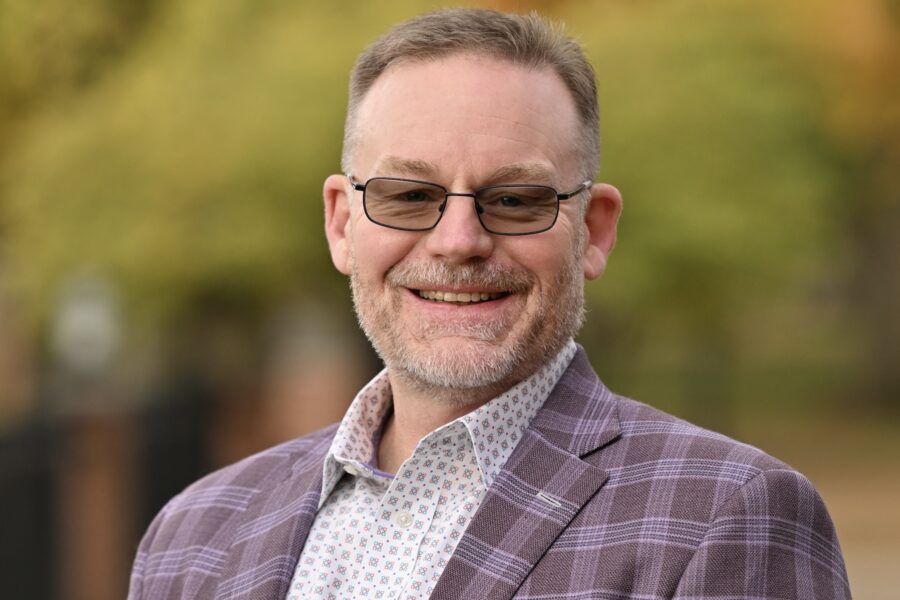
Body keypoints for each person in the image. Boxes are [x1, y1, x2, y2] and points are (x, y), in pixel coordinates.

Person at [128, 8, 851, 600]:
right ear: (342, 223)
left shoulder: (728, 516)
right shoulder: (192, 535)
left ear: (593, 230)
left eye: (514, 199)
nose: (459, 241)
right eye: (409, 196)